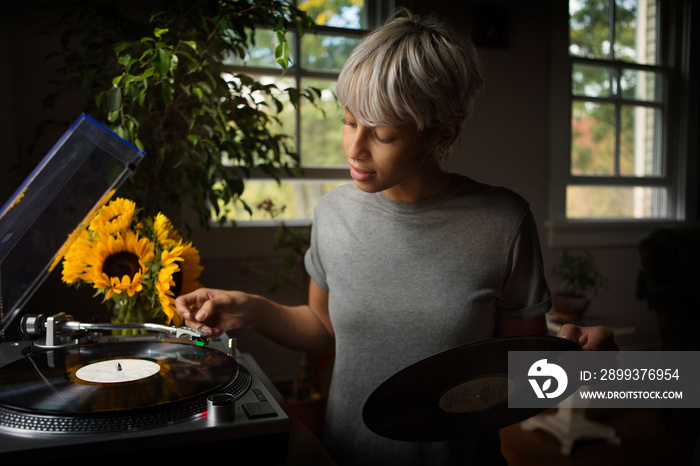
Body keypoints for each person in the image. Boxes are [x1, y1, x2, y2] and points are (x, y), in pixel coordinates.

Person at [176, 8, 617, 465]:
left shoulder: (503, 224)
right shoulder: (333, 213)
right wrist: (249, 309)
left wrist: (578, 367)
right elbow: (328, 331)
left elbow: (519, 383)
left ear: (443, 132)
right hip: (346, 454)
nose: (354, 147)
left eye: (382, 134)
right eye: (349, 121)